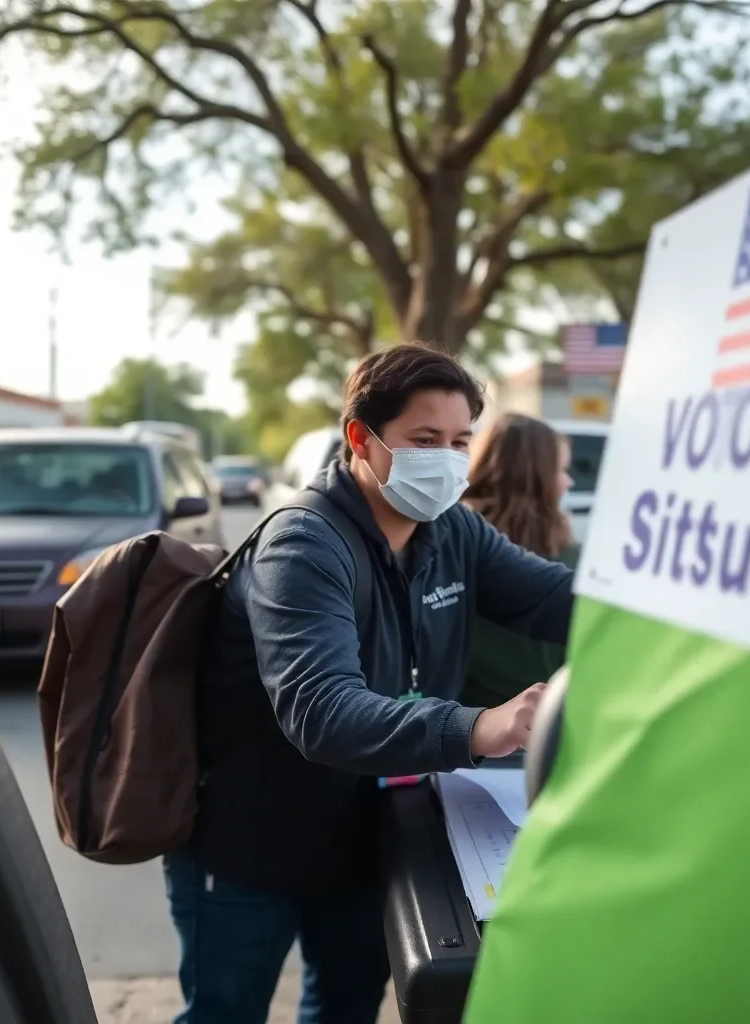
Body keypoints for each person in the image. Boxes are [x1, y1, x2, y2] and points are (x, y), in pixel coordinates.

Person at [164, 344, 574, 1024]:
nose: (446, 458)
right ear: (361, 437)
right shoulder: (303, 546)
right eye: (424, 439)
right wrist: (478, 726)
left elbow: (556, 598)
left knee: (346, 1008)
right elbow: (322, 711)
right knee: (223, 1012)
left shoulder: (452, 530)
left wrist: (667, 608)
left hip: (369, 839)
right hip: (250, 847)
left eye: (460, 441)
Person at [461, 414, 580, 709]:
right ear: (536, 475)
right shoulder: (567, 554)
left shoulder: (451, 538)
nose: (569, 481)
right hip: (541, 721)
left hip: (465, 722)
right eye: (561, 470)